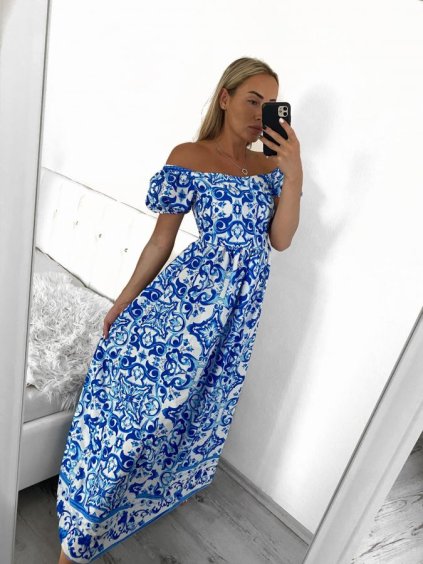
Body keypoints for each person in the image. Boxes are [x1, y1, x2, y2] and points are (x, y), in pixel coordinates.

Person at [56, 56, 303, 563]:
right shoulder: (190, 156)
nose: (260, 113)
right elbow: (160, 241)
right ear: (225, 98)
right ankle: (78, 533)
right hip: (184, 305)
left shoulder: (271, 168)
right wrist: (123, 301)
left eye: (271, 104)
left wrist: (294, 169)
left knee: (191, 416)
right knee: (136, 417)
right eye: (252, 100)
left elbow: (280, 240)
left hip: (234, 320)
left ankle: (124, 512)